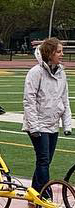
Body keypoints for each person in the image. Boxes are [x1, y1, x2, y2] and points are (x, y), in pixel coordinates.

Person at [22, 37, 72, 193]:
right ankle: (45, 194)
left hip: (53, 125)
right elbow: (29, 101)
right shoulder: (35, 73)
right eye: (59, 51)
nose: (62, 54)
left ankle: (35, 190)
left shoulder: (61, 73)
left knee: (46, 161)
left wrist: (67, 124)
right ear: (49, 53)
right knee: (43, 160)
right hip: (37, 125)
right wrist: (34, 126)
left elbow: (65, 99)